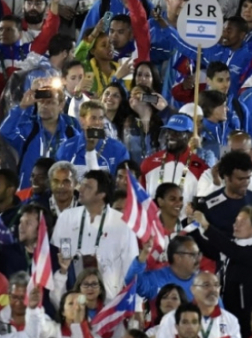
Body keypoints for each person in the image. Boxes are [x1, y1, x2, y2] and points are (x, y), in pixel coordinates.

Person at [50, 170, 139, 299]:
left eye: (88, 187)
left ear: (101, 194)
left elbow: (131, 269)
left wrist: (133, 304)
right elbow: (57, 261)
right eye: (82, 184)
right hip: (72, 300)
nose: (80, 189)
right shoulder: (66, 218)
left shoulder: (122, 224)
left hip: (108, 302)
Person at [190, 206, 252, 338]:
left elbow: (235, 252)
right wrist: (193, 227)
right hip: (226, 311)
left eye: (242, 222)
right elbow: (209, 248)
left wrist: (207, 226)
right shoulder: (233, 246)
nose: (236, 225)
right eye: (236, 221)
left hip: (246, 317)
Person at [153, 271, 242, 338]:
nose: (213, 289)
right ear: (193, 289)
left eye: (216, 285)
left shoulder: (230, 320)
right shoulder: (171, 318)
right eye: (206, 285)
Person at [142, 114, 209, 214]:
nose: (170, 136)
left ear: (189, 135)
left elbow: (203, 203)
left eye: (177, 133)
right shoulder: (149, 163)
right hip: (153, 221)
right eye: (169, 131)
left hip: (184, 222)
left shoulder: (201, 167)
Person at [55, 100, 130, 178]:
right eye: (93, 118)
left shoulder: (118, 149)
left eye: (101, 118)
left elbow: (124, 180)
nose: (97, 122)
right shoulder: (66, 149)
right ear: (82, 120)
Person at [198, 151, 252, 233]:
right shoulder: (210, 204)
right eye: (240, 179)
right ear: (227, 177)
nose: (246, 183)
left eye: (248, 178)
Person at [125, 235, 199, 301]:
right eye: (193, 255)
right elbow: (132, 283)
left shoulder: (202, 282)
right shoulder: (158, 279)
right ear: (178, 258)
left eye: (198, 254)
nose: (198, 259)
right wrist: (144, 253)